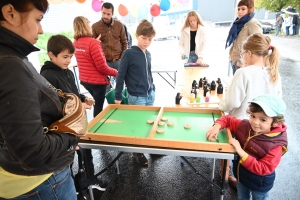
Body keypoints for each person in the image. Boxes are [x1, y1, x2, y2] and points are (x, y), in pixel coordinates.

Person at [0, 1, 79, 199]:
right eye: (38, 19)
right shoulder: (10, 66)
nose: (41, 30)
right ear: (10, 13)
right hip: (40, 183)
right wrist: (72, 135)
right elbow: (33, 151)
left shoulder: (13, 58)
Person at [40, 35, 108, 192]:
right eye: (65, 57)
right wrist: (78, 107)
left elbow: (72, 93)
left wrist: (84, 98)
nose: (68, 60)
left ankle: (89, 180)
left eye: (70, 56)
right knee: (67, 161)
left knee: (85, 152)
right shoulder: (47, 76)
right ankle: (73, 187)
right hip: (64, 127)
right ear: (51, 54)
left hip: (78, 123)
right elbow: (52, 105)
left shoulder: (67, 72)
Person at [219, 33, 282, 187]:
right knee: (257, 158)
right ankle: (247, 185)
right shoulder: (274, 73)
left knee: (240, 157)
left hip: (244, 124)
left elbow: (231, 102)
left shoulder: (243, 72)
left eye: (243, 54)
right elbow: (279, 102)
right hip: (266, 127)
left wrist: (220, 105)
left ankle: (230, 177)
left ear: (249, 53)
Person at [207, 94, 288, 200]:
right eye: (253, 116)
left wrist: (240, 150)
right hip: (241, 177)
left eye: (263, 120)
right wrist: (217, 126)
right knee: (242, 197)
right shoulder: (245, 126)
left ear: (276, 122)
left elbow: (263, 168)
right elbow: (228, 119)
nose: (255, 122)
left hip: (259, 185)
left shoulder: (276, 145)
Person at [114, 19, 156, 166]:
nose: (146, 42)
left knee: (149, 122)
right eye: (144, 38)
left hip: (150, 94)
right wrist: (118, 96)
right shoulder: (129, 53)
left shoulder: (149, 53)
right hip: (136, 96)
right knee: (137, 125)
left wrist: (153, 88)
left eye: (150, 39)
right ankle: (136, 152)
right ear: (137, 35)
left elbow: (149, 73)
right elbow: (120, 75)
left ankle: (150, 146)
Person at [91, 2, 127, 90]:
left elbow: (124, 42)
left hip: (118, 60)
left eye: (108, 14)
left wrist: (122, 58)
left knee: (120, 86)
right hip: (104, 62)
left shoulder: (119, 25)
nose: (105, 16)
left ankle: (119, 103)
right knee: (105, 87)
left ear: (112, 14)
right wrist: (94, 42)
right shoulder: (95, 27)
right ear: (101, 11)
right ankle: (110, 103)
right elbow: (91, 45)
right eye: (104, 13)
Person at [225, 0, 262, 75]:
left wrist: (242, 62)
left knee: (242, 86)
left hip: (243, 64)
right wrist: (231, 55)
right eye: (238, 9)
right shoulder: (238, 23)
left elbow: (258, 45)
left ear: (250, 9)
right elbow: (236, 41)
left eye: (243, 9)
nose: (239, 11)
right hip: (235, 61)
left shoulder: (252, 23)